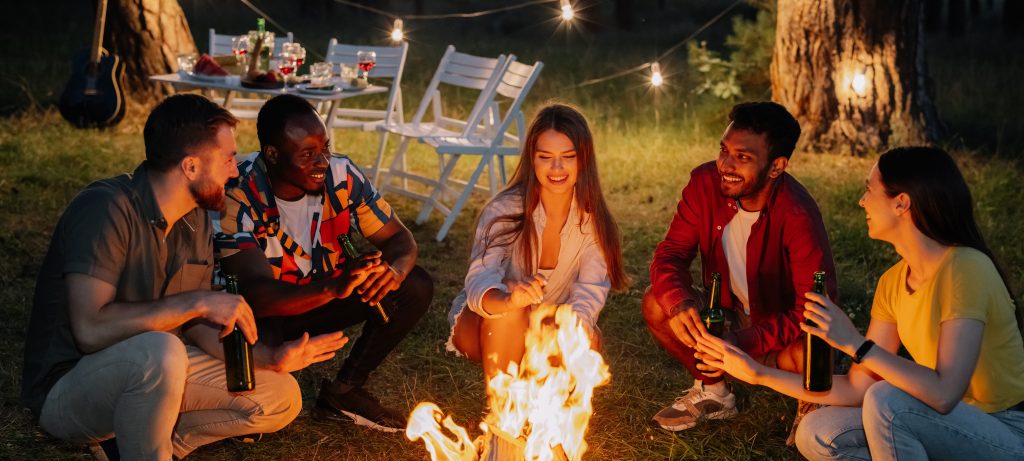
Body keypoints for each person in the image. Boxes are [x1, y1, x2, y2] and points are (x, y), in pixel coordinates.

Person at [21, 94, 347, 461]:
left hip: (151, 368)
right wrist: (198, 300)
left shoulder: (196, 218)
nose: (237, 170)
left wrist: (270, 358)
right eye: (230, 159)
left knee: (279, 395)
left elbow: (195, 326)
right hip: (70, 387)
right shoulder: (106, 209)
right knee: (160, 350)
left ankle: (146, 443)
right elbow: (90, 329)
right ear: (191, 166)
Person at [696, 147, 1024, 461]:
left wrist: (854, 342)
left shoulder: (966, 267)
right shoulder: (893, 281)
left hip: (1007, 436)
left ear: (902, 202)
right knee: (818, 434)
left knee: (890, 400)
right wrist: (757, 373)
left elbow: (945, 393)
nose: (861, 201)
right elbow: (855, 387)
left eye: (869, 190)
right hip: (956, 432)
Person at [217, 94, 433, 432]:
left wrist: (392, 271)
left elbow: (400, 240)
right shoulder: (239, 191)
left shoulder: (341, 175)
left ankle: (345, 390)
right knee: (257, 381)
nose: (322, 162)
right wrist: (333, 286)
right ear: (272, 155)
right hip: (264, 314)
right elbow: (257, 294)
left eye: (324, 148)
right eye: (307, 154)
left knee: (413, 285)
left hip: (326, 295)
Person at [644, 101, 837, 433]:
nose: (725, 165)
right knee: (657, 303)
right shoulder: (704, 184)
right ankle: (714, 391)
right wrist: (680, 303)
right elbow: (671, 254)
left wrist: (742, 341)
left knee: (811, 351)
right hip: (728, 312)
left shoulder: (797, 214)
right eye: (724, 150)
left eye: (743, 158)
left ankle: (810, 404)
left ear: (776, 166)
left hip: (780, 328)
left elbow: (814, 308)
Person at [447, 103, 628, 380]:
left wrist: (570, 334)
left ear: (584, 160)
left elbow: (588, 295)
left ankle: (544, 397)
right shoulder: (505, 210)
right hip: (490, 321)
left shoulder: (593, 222)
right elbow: (479, 280)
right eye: (546, 156)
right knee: (512, 308)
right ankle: (503, 414)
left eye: (568, 156)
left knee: (587, 339)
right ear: (533, 159)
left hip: (546, 325)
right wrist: (510, 299)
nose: (557, 167)